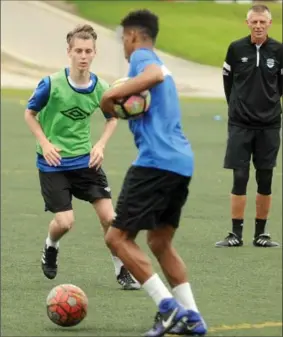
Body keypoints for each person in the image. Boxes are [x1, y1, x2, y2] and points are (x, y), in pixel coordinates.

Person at [100, 10, 207, 337]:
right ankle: (193, 317)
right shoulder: (161, 63)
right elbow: (156, 82)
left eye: (123, 39)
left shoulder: (143, 57)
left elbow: (153, 75)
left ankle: (167, 308)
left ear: (133, 36)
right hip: (181, 162)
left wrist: (110, 95)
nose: (123, 45)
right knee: (160, 242)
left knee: (117, 238)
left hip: (155, 162)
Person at [24, 24, 140, 290]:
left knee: (110, 219)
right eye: (78, 50)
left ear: (94, 53)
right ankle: (51, 246)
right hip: (53, 164)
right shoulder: (51, 84)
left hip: (86, 162)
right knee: (65, 222)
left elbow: (112, 118)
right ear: (69, 52)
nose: (83, 55)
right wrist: (45, 143)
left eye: (88, 51)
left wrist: (100, 145)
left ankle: (121, 270)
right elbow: (29, 114)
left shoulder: (101, 87)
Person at [216, 4, 282, 248]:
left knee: (265, 178)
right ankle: (235, 234)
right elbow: (227, 81)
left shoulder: (279, 50)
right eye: (254, 21)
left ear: (269, 24)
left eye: (262, 22)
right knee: (240, 177)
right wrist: (236, 106)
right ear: (247, 23)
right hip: (240, 124)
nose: (258, 26)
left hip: (270, 124)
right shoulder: (236, 49)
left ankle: (261, 234)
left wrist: (269, 102)